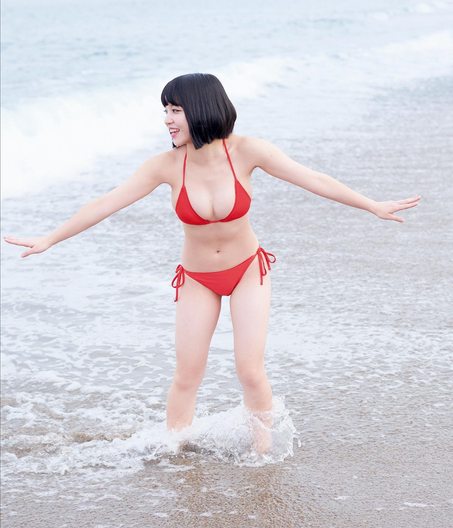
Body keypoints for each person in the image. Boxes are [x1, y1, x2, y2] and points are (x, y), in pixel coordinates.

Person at [3, 73, 421, 455]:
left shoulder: (247, 151)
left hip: (247, 271)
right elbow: (106, 203)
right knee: (187, 373)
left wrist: (371, 205)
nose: (167, 120)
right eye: (165, 110)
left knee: (249, 370)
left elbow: (313, 178)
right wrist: (51, 238)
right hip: (197, 278)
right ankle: (174, 451)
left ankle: (262, 453)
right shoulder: (166, 166)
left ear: (201, 108)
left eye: (175, 110)